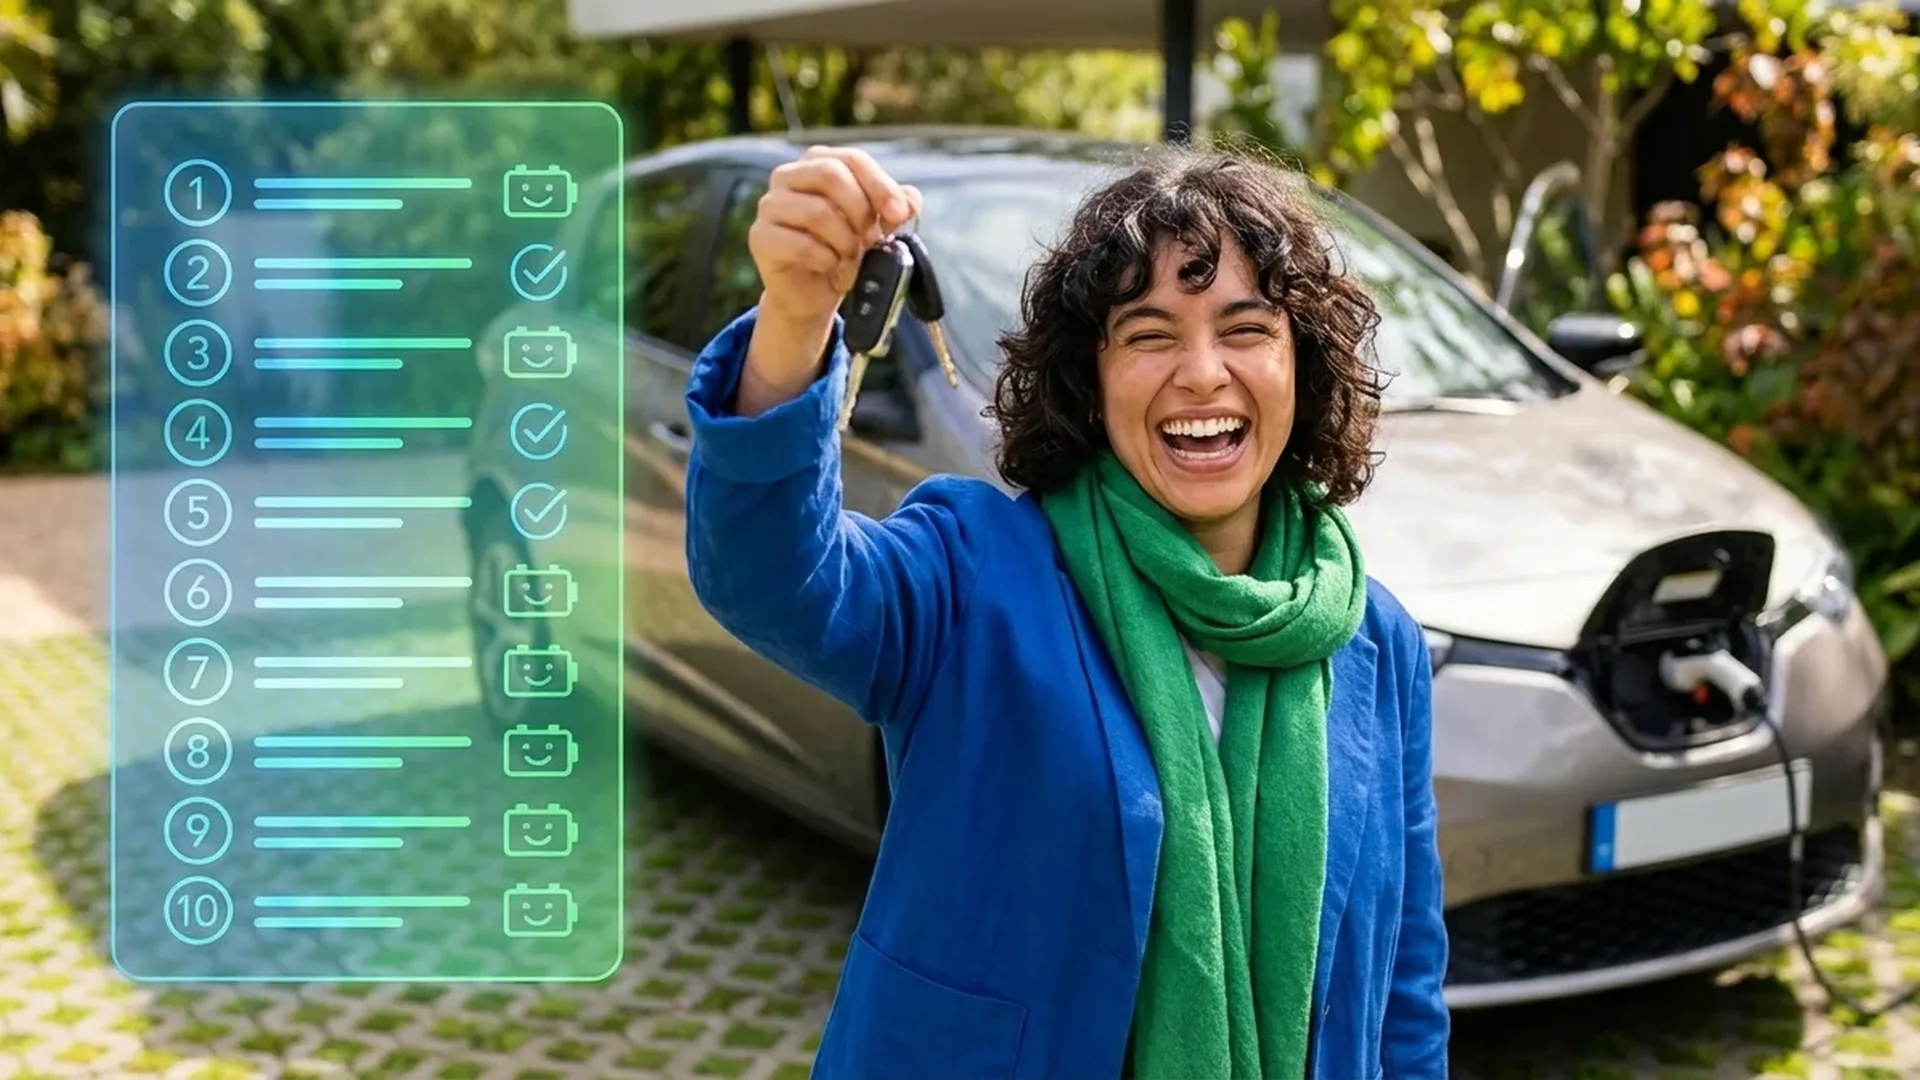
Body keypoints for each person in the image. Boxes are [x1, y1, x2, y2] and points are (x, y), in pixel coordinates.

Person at [682, 142, 1450, 1080]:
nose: (1203, 373)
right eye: (1151, 334)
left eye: (1246, 329)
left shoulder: (1378, 639)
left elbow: (1404, 989)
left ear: (1304, 365)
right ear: (1092, 378)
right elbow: (771, 579)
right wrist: (798, 316)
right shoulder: (973, 576)